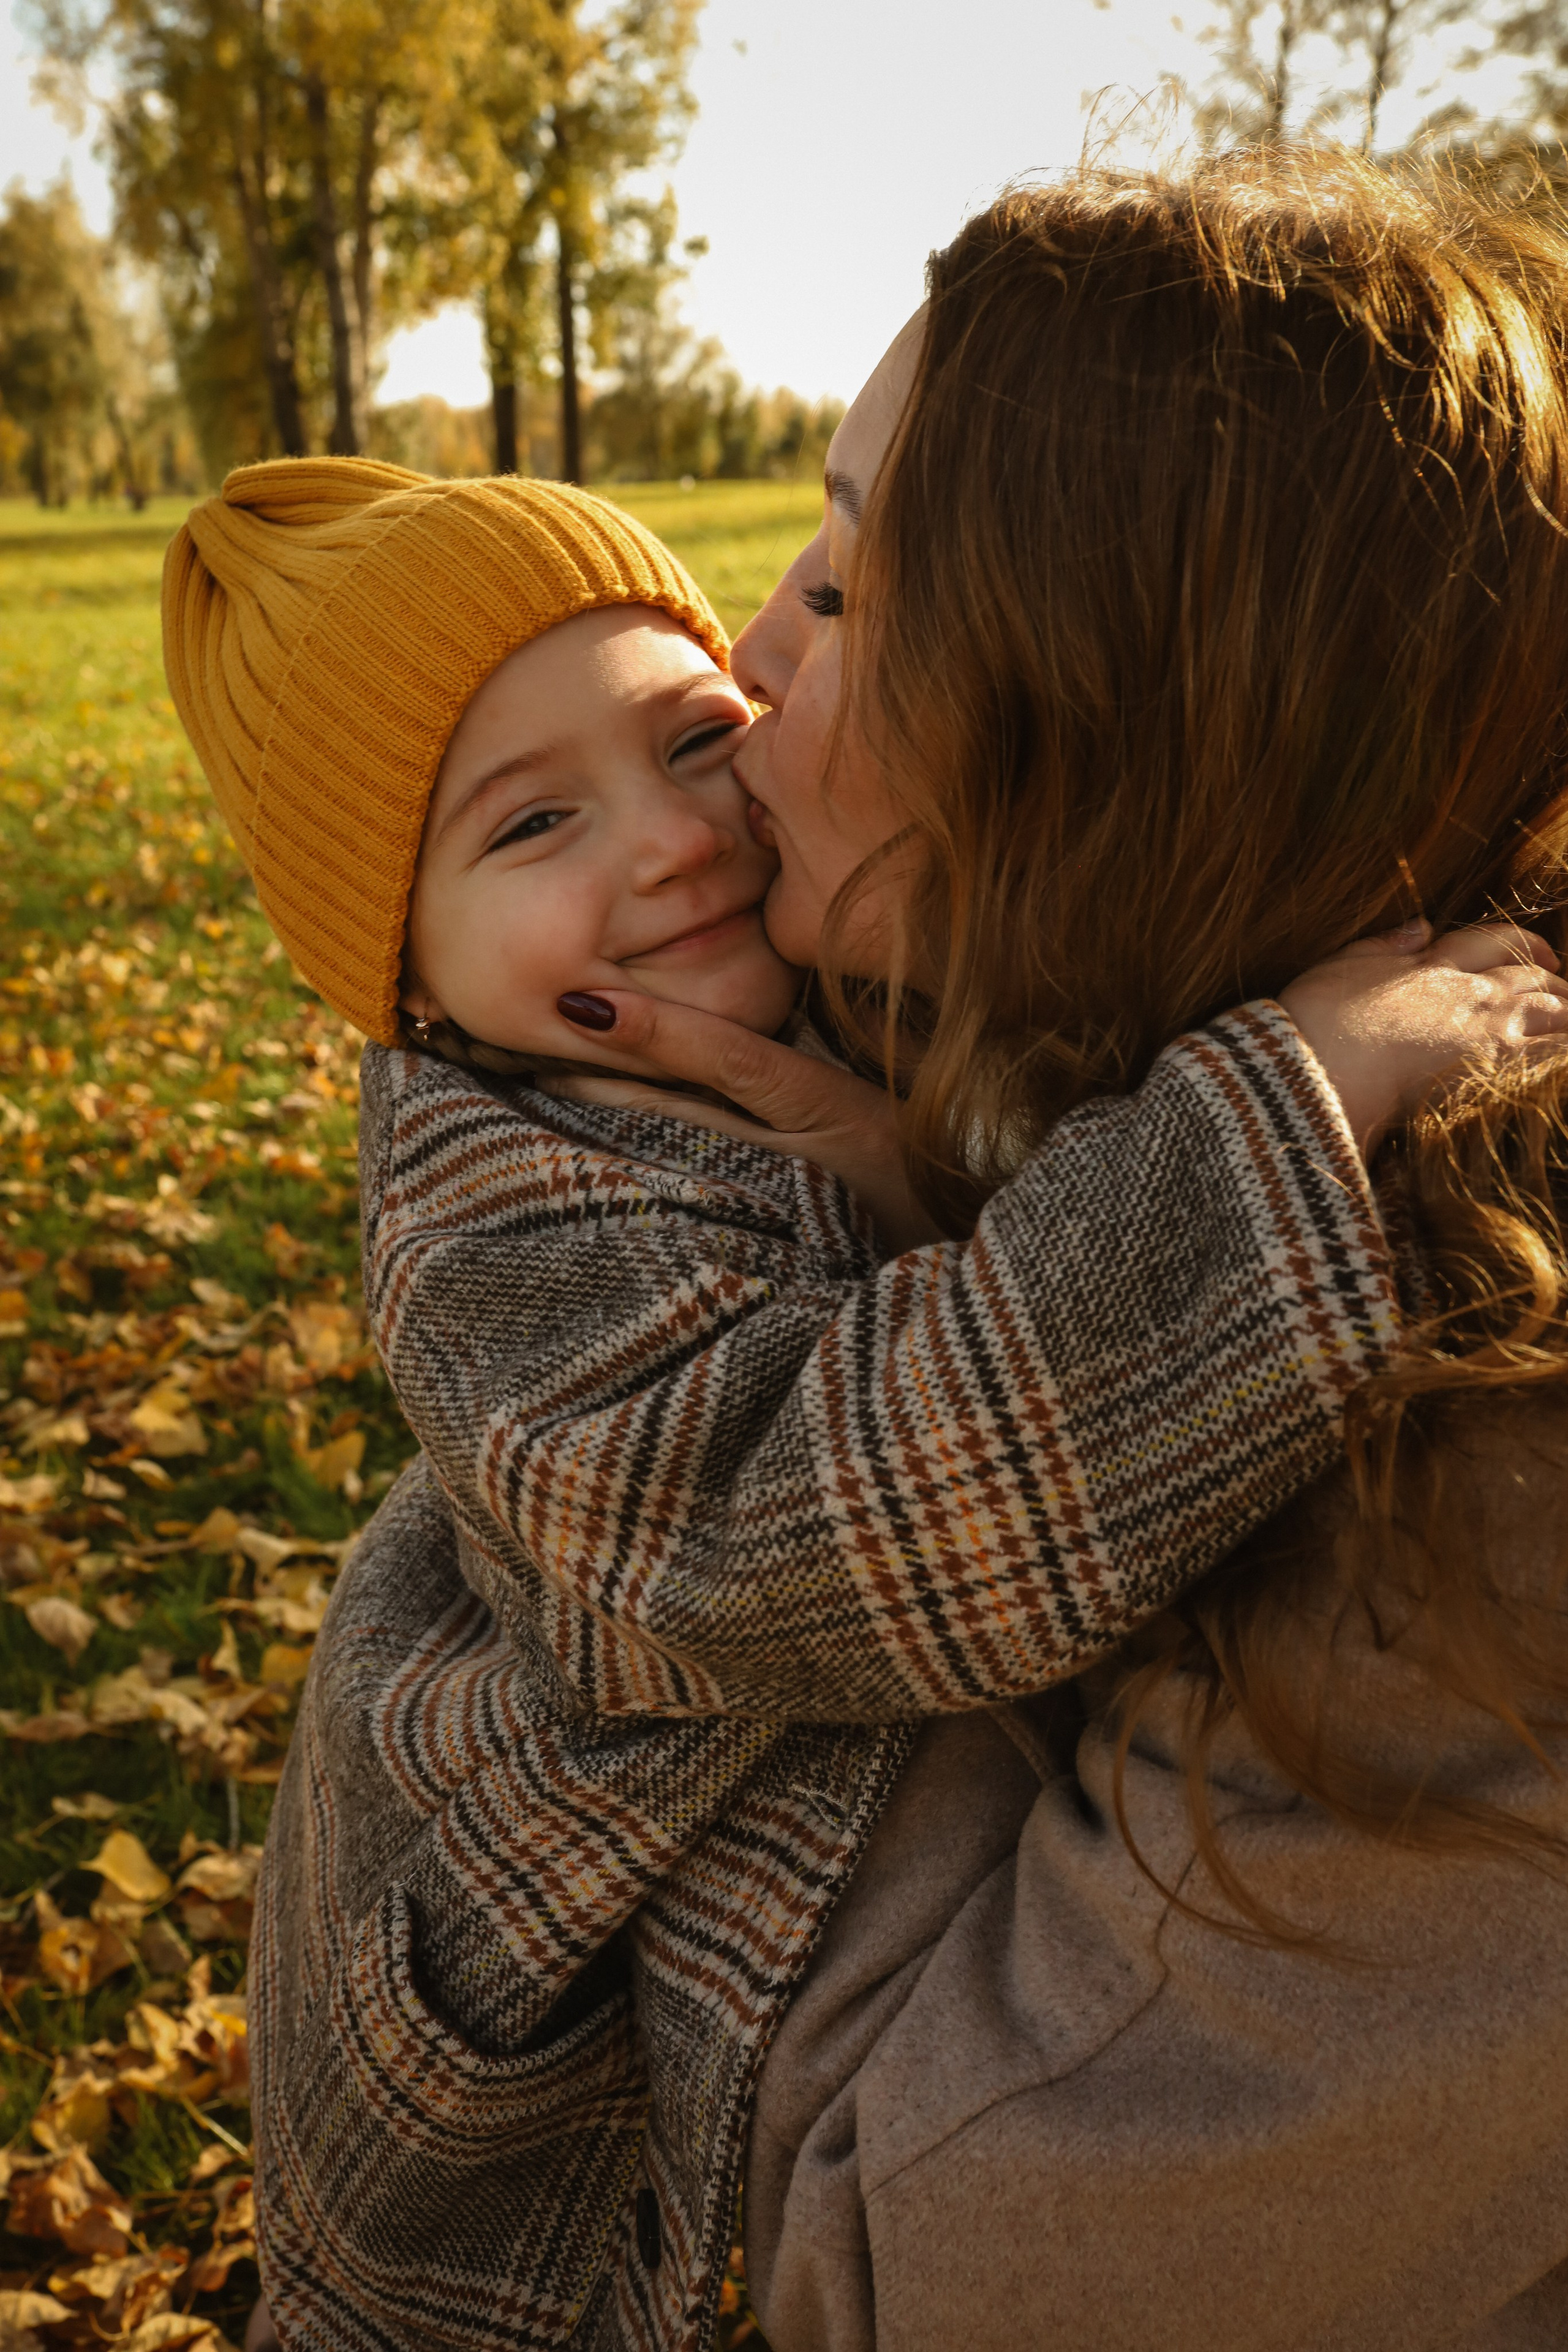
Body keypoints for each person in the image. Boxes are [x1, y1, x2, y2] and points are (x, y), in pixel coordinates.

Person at [163, 325, 1564, 2350]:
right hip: (538, 2168)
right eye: (526, 829)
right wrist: (1276, 1109)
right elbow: (807, 1530)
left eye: (688, 737)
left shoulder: (813, 1014)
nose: (666, 841)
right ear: (406, 982)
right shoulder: (500, 1228)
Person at [563, 151, 1568, 2350]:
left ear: (1116, 731)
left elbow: (914, 2265)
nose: (744, 660)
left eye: (843, 585)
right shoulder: (1031, 1071)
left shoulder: (1481, 1503)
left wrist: (744, 1589)